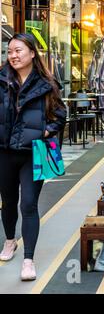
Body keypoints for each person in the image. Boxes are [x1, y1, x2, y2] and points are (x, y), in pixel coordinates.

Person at [0, 33, 67, 281]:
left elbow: (60, 114)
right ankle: (9, 241)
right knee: (7, 202)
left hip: (32, 153)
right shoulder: (1, 80)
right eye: (9, 51)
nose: (13, 55)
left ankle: (28, 260)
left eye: (18, 50)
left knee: (28, 204)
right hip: (4, 152)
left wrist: (46, 130)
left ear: (31, 53)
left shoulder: (46, 84)